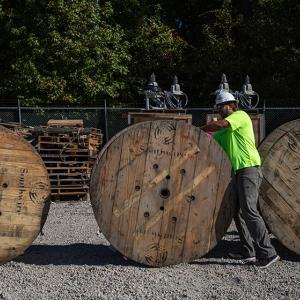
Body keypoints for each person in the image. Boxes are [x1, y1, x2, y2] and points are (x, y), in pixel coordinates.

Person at [200, 91, 280, 268]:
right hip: (237, 173)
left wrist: (201, 128)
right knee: (237, 212)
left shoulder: (240, 116)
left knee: (250, 211)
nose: (219, 110)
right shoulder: (226, 132)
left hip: (248, 169)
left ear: (231, 105)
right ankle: (248, 251)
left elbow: (219, 125)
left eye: (221, 107)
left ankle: (268, 253)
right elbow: (210, 139)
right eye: (218, 108)